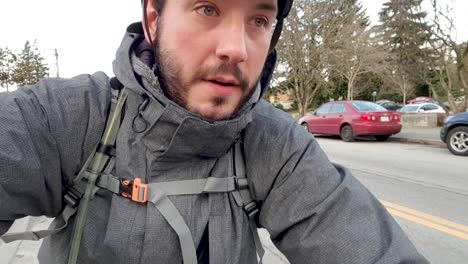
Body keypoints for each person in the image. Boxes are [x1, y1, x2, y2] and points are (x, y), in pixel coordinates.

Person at [0, 0, 428, 263]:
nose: (237, 49)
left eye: (259, 20)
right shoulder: (65, 117)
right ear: (153, 18)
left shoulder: (277, 146)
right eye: (209, 9)